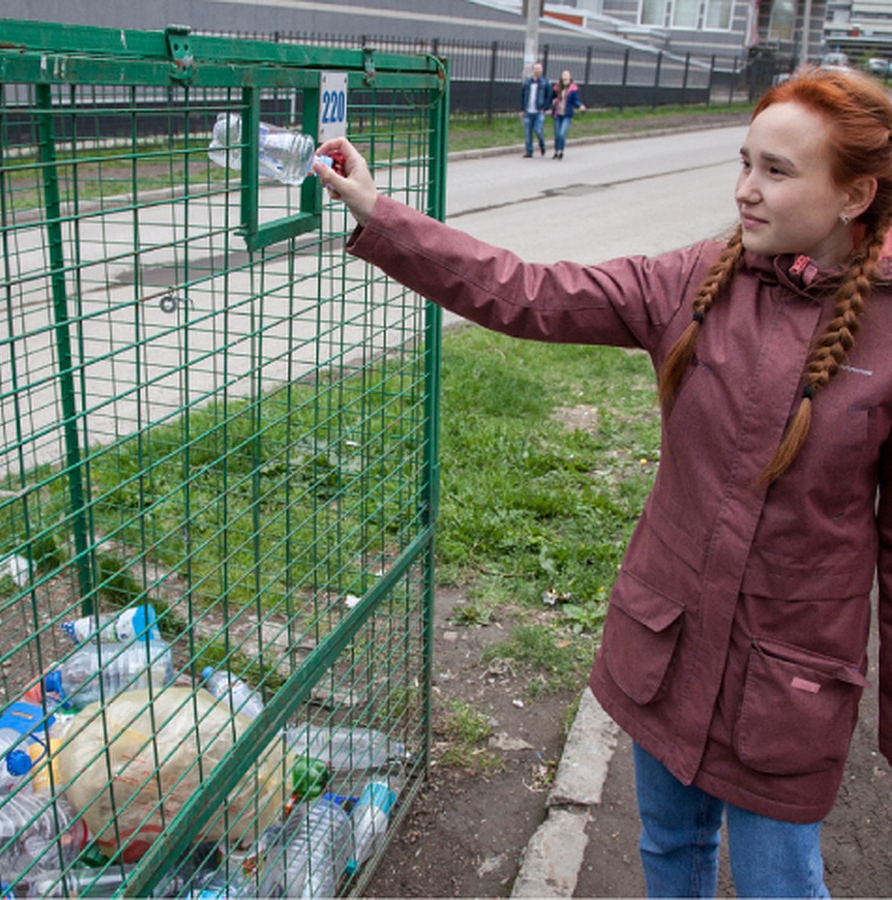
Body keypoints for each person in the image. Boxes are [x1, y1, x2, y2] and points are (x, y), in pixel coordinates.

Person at [314, 65, 892, 898]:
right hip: (670, 640)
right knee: (668, 846)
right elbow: (526, 293)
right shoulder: (695, 282)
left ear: (855, 194)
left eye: (777, 171)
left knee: (781, 884)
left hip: (786, 683)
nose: (745, 190)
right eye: (744, 162)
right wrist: (379, 213)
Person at [551, 69, 586, 159]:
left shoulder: (574, 89)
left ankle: (561, 150)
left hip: (567, 114)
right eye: (564, 75)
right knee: (557, 134)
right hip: (557, 113)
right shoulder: (557, 87)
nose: (565, 77)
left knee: (562, 133)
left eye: (567, 75)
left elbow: (575, 100)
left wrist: (580, 106)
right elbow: (552, 97)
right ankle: (556, 150)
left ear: (570, 77)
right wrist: (553, 101)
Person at [520, 62, 553, 158]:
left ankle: (542, 144)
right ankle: (529, 151)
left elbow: (549, 96)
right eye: (535, 68)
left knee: (538, 130)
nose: (537, 70)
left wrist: (544, 108)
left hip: (539, 111)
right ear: (533, 70)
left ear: (542, 70)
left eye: (539, 68)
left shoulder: (545, 82)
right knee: (527, 132)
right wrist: (522, 109)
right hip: (528, 111)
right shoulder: (527, 82)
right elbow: (522, 96)